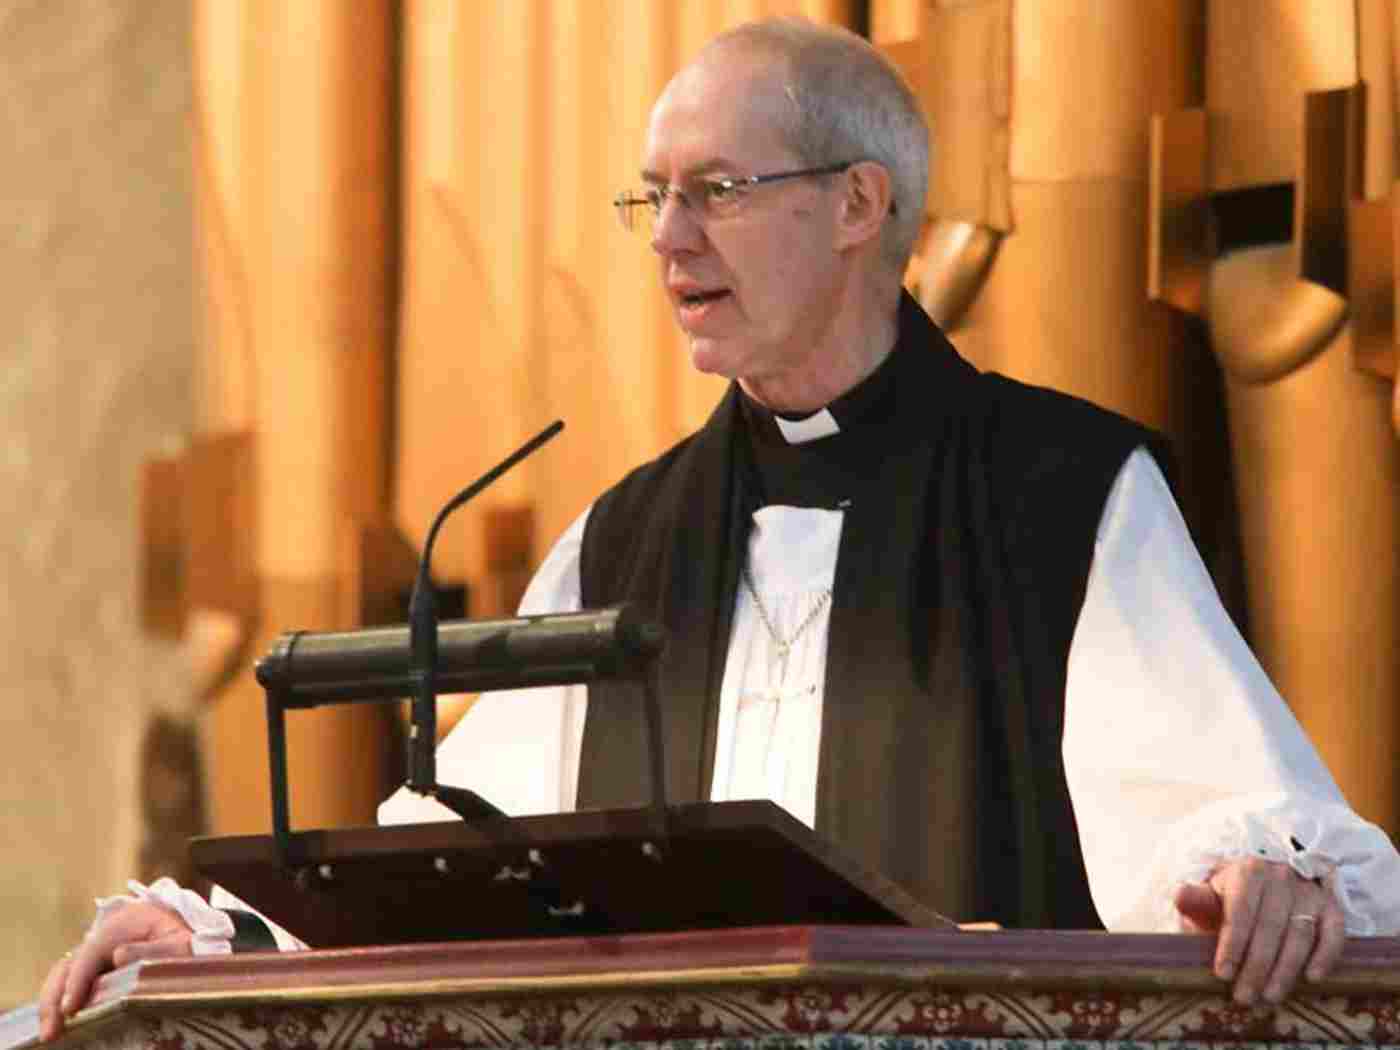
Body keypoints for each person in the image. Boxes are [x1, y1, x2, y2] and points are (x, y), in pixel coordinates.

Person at [39, 16, 1400, 1041]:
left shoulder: (1065, 491)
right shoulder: (626, 537)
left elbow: (1229, 828)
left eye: (719, 191)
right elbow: (457, 848)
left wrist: (1264, 875)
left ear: (862, 205)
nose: (669, 239)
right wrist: (225, 933)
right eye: (654, 196)